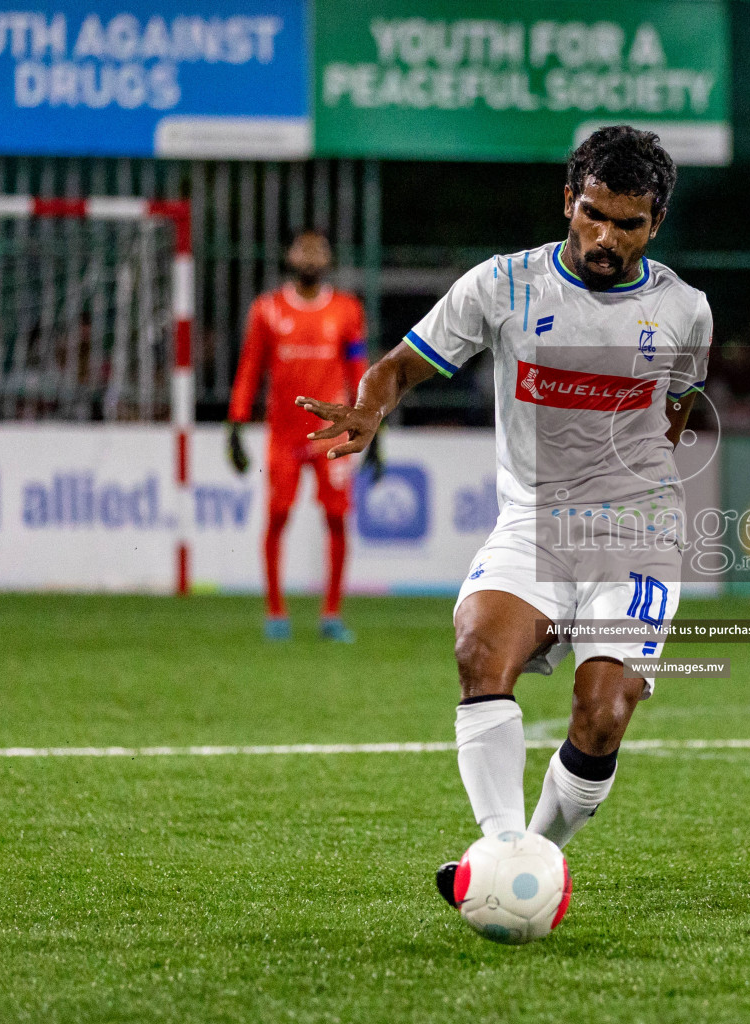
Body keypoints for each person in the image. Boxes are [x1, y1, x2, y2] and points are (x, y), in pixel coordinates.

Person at [295, 126, 712, 907]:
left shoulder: (685, 310)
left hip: (638, 534)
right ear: (568, 200)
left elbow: (680, 409)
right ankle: (501, 852)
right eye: (592, 213)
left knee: (605, 711)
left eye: (628, 224)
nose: (605, 237)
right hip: (534, 523)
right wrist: (370, 409)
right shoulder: (504, 286)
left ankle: (528, 864)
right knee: (480, 650)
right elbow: (400, 365)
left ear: (655, 223)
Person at [226, 230, 377, 643]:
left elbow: (357, 368)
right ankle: (276, 611)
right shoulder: (267, 310)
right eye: (302, 248)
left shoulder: (346, 310)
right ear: (289, 255)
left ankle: (331, 613)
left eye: (318, 249)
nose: (310, 255)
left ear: (328, 258)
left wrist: (372, 424)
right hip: (284, 436)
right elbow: (250, 368)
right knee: (277, 517)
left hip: (331, 435)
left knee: (336, 518)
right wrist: (236, 424)